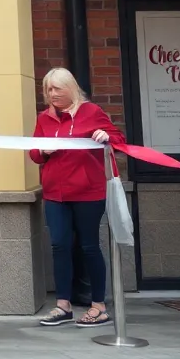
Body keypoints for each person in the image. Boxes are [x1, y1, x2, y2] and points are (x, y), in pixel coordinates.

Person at [29, 67, 123, 328]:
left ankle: (98, 306)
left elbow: (118, 138)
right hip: (55, 193)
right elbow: (34, 154)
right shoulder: (45, 118)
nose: (52, 94)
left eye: (57, 89)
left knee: (89, 246)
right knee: (59, 245)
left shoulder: (91, 112)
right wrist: (43, 150)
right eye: (48, 89)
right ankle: (63, 305)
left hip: (88, 191)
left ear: (70, 88)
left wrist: (106, 137)